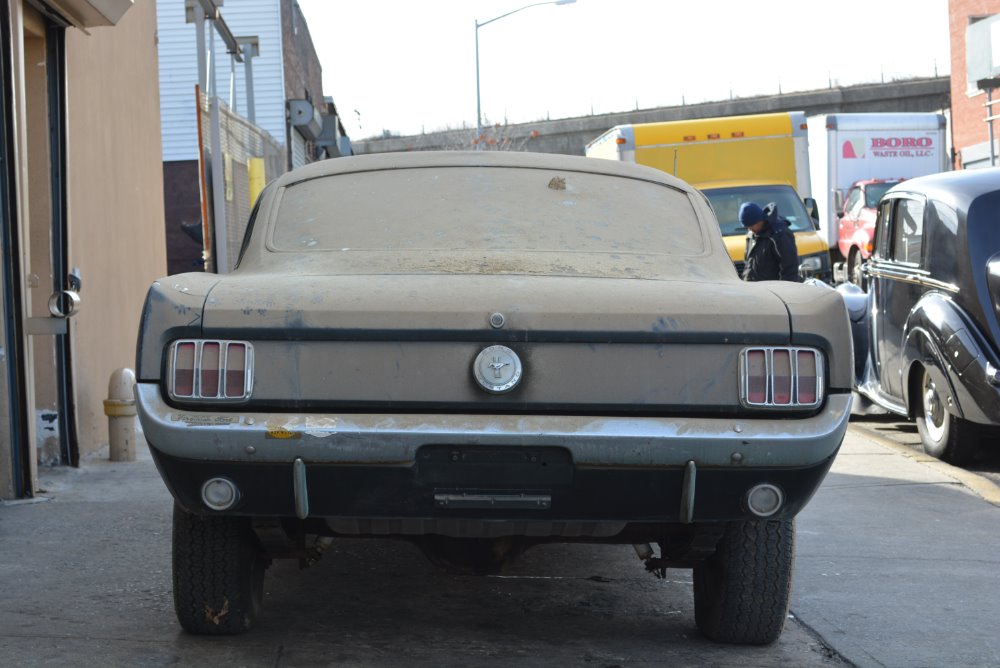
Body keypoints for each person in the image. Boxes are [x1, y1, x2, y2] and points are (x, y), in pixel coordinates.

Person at [738, 201, 800, 282]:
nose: (750, 230)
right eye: (747, 227)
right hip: (753, 290)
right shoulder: (752, 234)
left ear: (760, 219)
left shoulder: (780, 234)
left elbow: (790, 268)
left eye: (752, 225)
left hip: (773, 292)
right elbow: (748, 265)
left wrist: (784, 292)